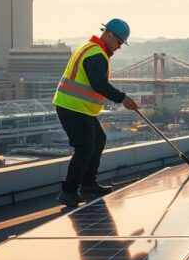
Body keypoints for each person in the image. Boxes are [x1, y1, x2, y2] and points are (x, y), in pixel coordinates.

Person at [53, 18, 138, 207]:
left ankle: (88, 185)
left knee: (98, 140)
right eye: (118, 42)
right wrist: (123, 98)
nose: (119, 47)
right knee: (84, 147)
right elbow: (99, 84)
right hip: (72, 107)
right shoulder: (95, 53)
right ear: (109, 35)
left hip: (79, 108)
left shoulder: (90, 47)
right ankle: (68, 192)